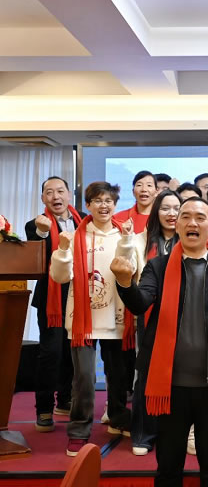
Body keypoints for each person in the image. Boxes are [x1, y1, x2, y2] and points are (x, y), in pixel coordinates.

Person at [113, 196, 208, 486]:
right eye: (185, 217)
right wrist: (125, 282)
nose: (192, 223)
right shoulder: (158, 267)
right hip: (169, 386)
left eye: (200, 217)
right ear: (177, 226)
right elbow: (140, 303)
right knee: (168, 467)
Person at [49, 181, 136, 456]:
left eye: (108, 200)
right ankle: (78, 430)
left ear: (115, 204)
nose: (103, 205)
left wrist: (127, 241)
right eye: (97, 200)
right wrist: (63, 250)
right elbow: (60, 277)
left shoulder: (124, 234)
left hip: (116, 315)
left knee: (118, 375)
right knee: (84, 378)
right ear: (88, 205)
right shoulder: (75, 236)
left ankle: (119, 417)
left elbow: (130, 269)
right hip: (82, 321)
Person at [119, 190, 182, 455]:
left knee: (179, 376)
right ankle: (144, 433)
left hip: (183, 316)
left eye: (176, 208)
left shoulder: (189, 240)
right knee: (146, 374)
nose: (171, 214)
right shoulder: (140, 240)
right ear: (156, 212)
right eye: (165, 208)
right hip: (150, 315)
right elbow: (130, 271)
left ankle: (174, 430)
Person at [25, 176, 85, 433]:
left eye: (60, 191)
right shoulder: (35, 224)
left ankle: (65, 399)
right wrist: (42, 231)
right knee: (51, 353)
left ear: (69, 195)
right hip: (51, 298)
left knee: (75, 352)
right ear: (43, 198)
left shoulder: (85, 221)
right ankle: (44, 408)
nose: (55, 196)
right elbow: (33, 250)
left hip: (80, 296)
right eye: (49, 192)